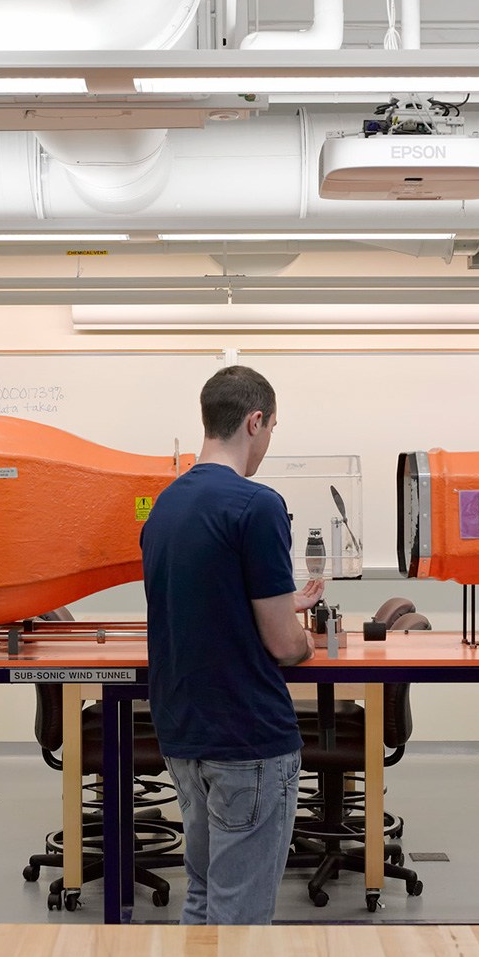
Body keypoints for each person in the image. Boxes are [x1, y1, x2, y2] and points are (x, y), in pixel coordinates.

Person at [141, 366, 323, 925]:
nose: (268, 443)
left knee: (202, 893)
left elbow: (207, 599)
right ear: (255, 420)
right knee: (240, 917)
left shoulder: (164, 507)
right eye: (271, 430)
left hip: (183, 734)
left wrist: (271, 603)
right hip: (246, 739)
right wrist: (305, 638)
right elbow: (285, 647)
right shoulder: (257, 505)